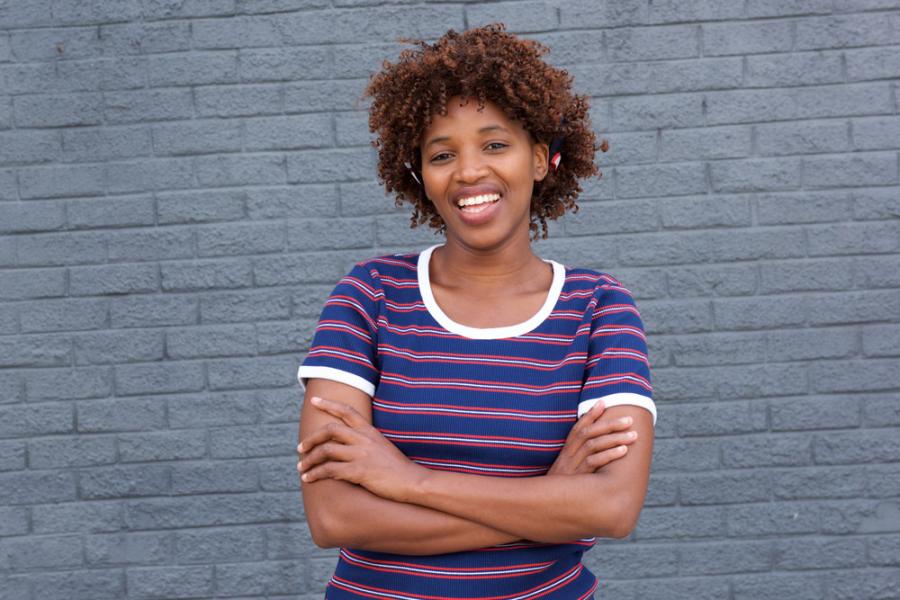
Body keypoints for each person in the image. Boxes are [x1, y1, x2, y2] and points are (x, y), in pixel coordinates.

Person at [295, 23, 656, 599]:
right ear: (420, 175)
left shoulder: (597, 307)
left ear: (539, 159)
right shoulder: (369, 296)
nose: (468, 172)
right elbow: (335, 517)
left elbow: (610, 507)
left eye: (494, 144)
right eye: (442, 154)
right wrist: (550, 501)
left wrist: (406, 480)